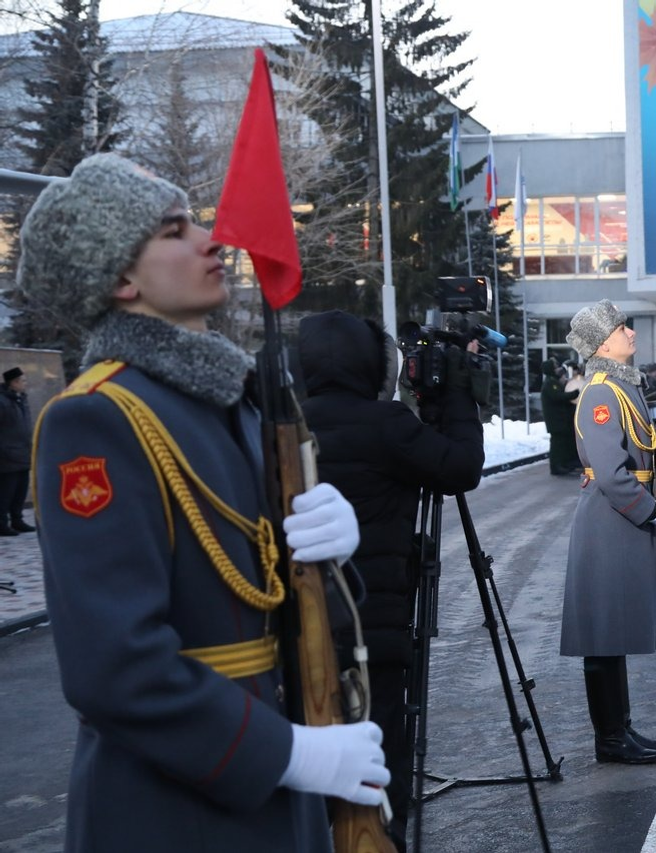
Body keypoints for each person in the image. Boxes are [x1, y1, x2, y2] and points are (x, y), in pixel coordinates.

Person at [19, 153, 386, 852]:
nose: (210, 239)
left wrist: (333, 558)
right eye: (173, 230)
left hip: (274, 787)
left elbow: (269, 589)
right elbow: (114, 668)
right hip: (177, 807)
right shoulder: (98, 417)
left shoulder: (233, 403)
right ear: (120, 279)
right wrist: (284, 754)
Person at [297, 309, 485, 850]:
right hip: (372, 630)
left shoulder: (286, 427)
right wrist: (456, 396)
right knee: (379, 754)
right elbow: (460, 468)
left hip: (301, 624)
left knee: (313, 753)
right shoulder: (384, 424)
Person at [561, 299, 656, 764]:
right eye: (621, 329)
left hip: (620, 521)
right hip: (610, 520)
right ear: (602, 344)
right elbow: (612, 475)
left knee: (613, 634)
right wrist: (654, 512)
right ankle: (610, 738)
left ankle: (621, 727)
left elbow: (639, 448)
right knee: (602, 635)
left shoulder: (620, 386)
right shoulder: (600, 393)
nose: (631, 333)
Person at [0, 366, 35, 535]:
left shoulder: (21, 399)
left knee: (20, 490)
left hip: (22, 452)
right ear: (13, 383)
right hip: (7, 455)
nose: (25, 383)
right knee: (6, 492)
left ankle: (17, 520)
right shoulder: (2, 401)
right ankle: (1, 523)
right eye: (22, 381)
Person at [540, 356, 582, 475]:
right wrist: (574, 393)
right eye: (555, 367)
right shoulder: (550, 383)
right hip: (555, 420)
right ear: (551, 369)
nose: (558, 369)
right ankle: (556, 467)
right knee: (557, 445)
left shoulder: (554, 381)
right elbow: (558, 397)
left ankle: (563, 464)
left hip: (560, 420)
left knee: (562, 444)